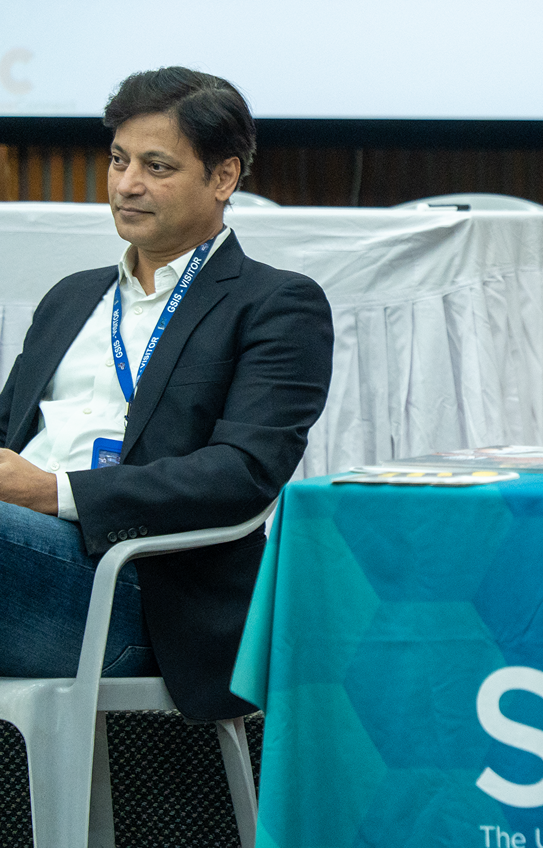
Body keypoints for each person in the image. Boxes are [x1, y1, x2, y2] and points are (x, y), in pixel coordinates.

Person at [0, 67, 333, 722]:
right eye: (118, 160)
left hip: (141, 592)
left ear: (224, 177)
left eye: (156, 167)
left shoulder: (274, 305)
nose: (126, 184)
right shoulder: (72, 296)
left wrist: (51, 492)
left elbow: (241, 474)